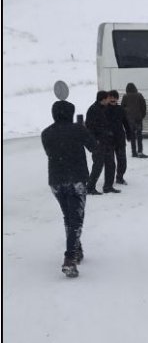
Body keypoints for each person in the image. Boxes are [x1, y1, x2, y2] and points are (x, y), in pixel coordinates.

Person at [41, 100, 97, 277]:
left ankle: (76, 250)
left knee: (69, 216)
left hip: (56, 180)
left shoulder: (46, 133)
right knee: (76, 218)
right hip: (76, 178)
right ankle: (70, 258)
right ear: (71, 113)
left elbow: (51, 153)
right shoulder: (78, 129)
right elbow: (93, 147)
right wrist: (84, 130)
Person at [86, 91, 119, 195]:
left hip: (107, 142)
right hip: (98, 143)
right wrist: (95, 140)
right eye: (107, 98)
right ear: (103, 99)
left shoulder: (105, 108)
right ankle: (90, 187)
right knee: (98, 166)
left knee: (111, 164)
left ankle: (108, 187)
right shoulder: (93, 110)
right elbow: (89, 127)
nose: (109, 100)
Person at [106, 90, 132, 185]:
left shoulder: (121, 109)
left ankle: (120, 177)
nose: (113, 99)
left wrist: (129, 134)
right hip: (108, 139)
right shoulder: (103, 109)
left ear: (117, 99)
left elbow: (125, 123)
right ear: (108, 98)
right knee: (110, 162)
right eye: (111, 97)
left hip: (120, 138)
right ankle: (109, 180)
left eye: (115, 97)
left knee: (122, 161)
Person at [121, 82, 148, 158]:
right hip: (138, 119)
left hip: (129, 120)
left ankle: (133, 152)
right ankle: (140, 152)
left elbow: (122, 108)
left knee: (132, 136)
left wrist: (126, 117)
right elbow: (143, 107)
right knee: (139, 136)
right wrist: (142, 115)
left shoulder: (125, 97)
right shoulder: (139, 95)